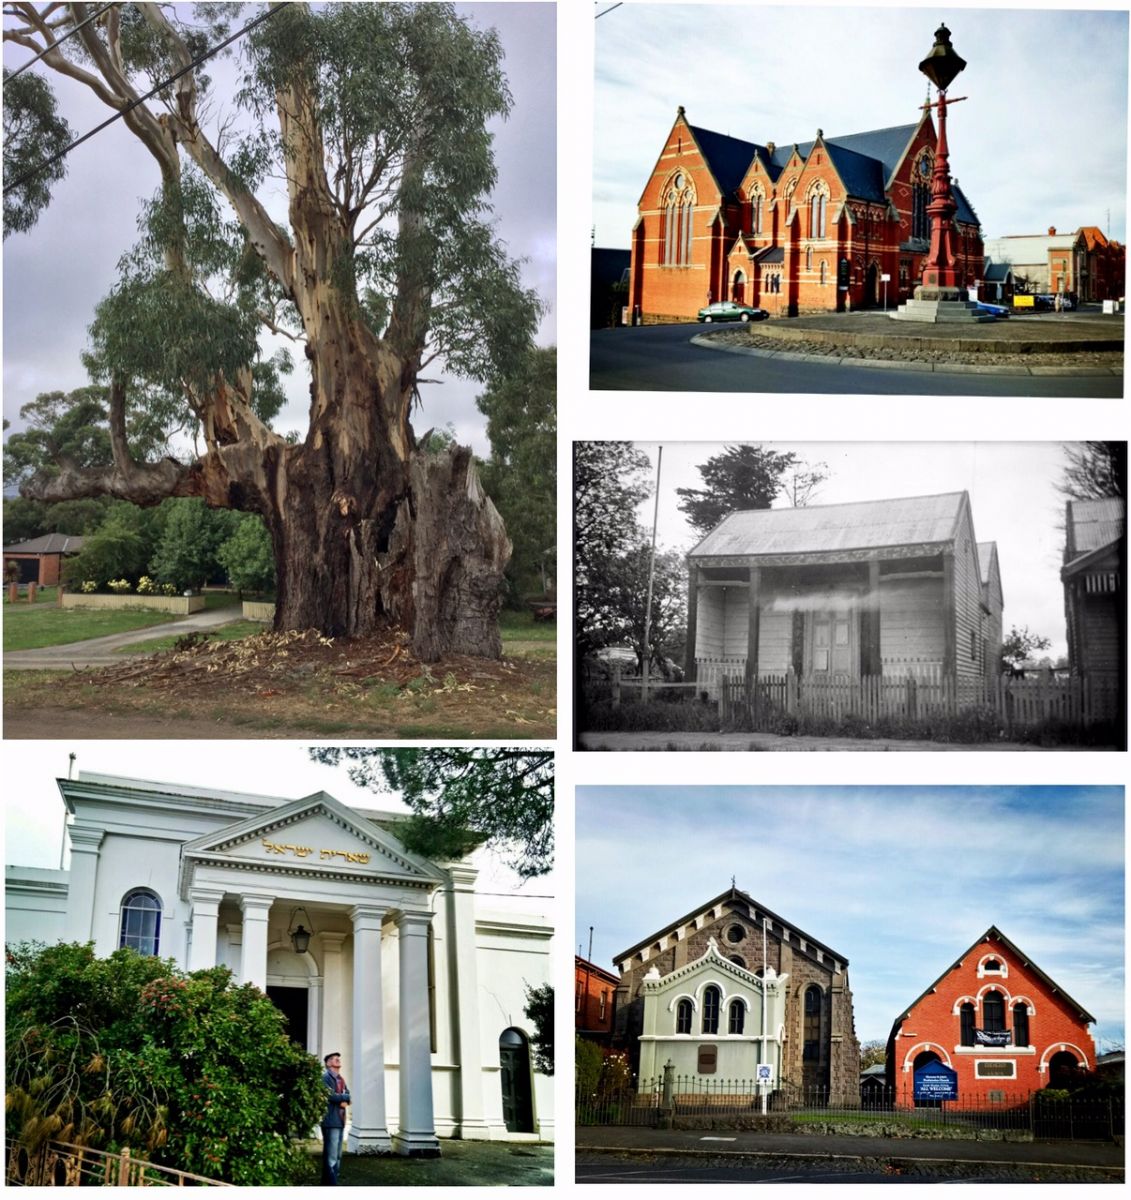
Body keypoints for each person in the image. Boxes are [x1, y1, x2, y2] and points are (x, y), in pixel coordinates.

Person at [320, 1051, 351, 1186]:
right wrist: (343, 1098)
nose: (338, 1059)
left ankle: (329, 1183)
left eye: (338, 1058)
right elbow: (329, 1096)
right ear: (328, 1063)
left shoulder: (341, 1079)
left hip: (340, 1121)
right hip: (330, 1121)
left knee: (338, 1156)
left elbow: (348, 1096)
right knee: (331, 1156)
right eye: (334, 1058)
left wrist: (344, 1098)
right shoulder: (325, 1078)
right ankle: (331, 1185)